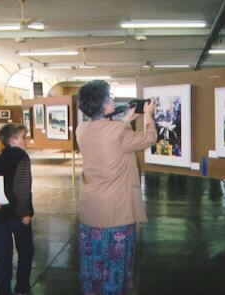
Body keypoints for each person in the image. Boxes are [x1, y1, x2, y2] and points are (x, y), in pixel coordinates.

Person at [76, 80, 157, 295]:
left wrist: (127, 119)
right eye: (109, 97)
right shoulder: (116, 131)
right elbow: (150, 138)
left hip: (91, 210)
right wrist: (149, 115)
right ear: (103, 105)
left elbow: (113, 139)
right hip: (116, 213)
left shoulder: (81, 129)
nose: (112, 99)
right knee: (113, 268)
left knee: (93, 266)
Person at [0, 123, 34, 295]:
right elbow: (22, 187)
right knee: (26, 251)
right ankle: (22, 288)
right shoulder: (21, 157)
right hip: (17, 216)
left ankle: (3, 291)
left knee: (3, 258)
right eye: (23, 137)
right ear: (13, 140)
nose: (26, 140)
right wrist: (26, 212)